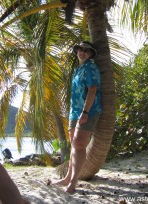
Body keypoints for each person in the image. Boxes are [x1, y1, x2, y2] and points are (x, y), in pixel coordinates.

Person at [54, 41, 102, 194]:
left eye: (86, 51)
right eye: (80, 49)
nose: (82, 52)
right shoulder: (78, 69)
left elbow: (93, 90)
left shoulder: (90, 67)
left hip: (89, 111)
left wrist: (85, 112)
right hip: (74, 112)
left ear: (90, 54)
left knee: (79, 144)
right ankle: (68, 177)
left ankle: (73, 182)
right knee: (74, 145)